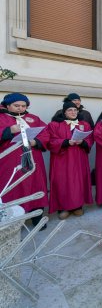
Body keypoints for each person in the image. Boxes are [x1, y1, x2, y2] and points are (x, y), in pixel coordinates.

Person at [0, 93, 50, 229]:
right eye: (16, 106)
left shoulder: (33, 118)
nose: (20, 109)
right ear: (7, 105)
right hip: (10, 162)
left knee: (36, 186)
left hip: (33, 160)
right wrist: (8, 130)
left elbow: (46, 133)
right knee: (14, 189)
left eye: (23, 106)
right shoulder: (1, 118)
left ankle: (37, 218)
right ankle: (14, 224)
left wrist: (36, 141)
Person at [47, 101, 93, 219]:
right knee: (63, 182)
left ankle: (78, 206)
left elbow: (90, 139)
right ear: (64, 112)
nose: (73, 112)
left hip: (79, 158)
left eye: (75, 110)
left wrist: (83, 142)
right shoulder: (54, 125)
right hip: (62, 159)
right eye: (70, 110)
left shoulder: (84, 124)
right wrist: (66, 142)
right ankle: (63, 207)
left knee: (78, 182)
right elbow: (50, 141)